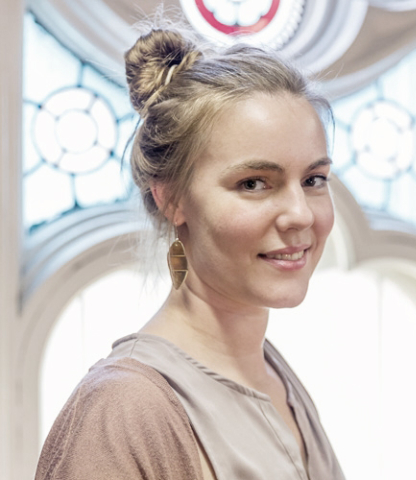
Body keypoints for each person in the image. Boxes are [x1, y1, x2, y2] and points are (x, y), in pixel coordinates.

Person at [35, 20, 346, 480]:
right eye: (254, 183)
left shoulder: (274, 375)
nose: (300, 214)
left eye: (313, 180)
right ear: (171, 198)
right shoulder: (122, 411)